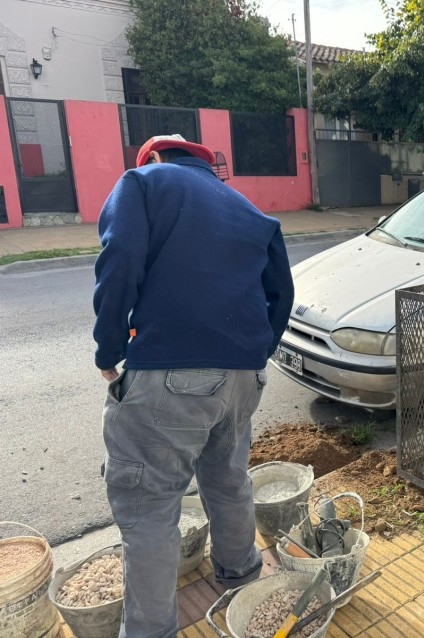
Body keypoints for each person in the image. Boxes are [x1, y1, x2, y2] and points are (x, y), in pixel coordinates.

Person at [92, 134, 294, 637]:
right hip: (243, 376)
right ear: (205, 163)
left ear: (155, 157)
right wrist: (254, 354)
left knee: (150, 504)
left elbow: (119, 261)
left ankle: (150, 630)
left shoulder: (142, 181)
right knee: (227, 478)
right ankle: (240, 570)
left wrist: (108, 348)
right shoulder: (246, 207)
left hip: (170, 370)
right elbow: (281, 293)